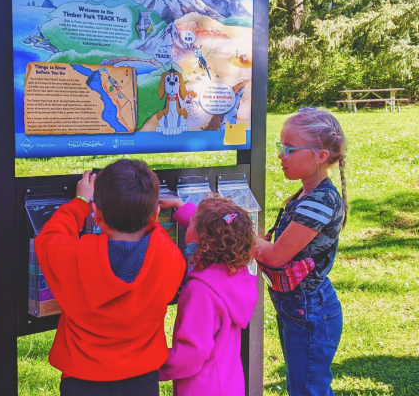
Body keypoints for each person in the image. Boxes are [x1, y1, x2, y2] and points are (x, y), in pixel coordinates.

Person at [35, 159, 186, 396]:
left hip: (82, 382)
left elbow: (49, 238)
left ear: (96, 214)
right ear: (155, 214)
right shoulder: (170, 258)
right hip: (142, 381)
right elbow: (158, 238)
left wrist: (80, 202)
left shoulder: (73, 258)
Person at [254, 108, 347, 396]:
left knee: (308, 389)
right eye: (281, 147)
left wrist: (232, 229)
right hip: (298, 308)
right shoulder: (306, 194)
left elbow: (275, 256)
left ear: (320, 156)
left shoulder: (319, 202)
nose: (281, 155)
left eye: (290, 149)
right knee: (301, 386)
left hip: (310, 312)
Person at [158, 194, 258, 396]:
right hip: (228, 384)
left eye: (192, 224)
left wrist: (152, 367)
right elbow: (215, 231)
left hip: (200, 388)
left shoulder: (201, 291)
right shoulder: (234, 273)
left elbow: (191, 353)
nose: (189, 226)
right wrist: (180, 206)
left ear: (203, 240)